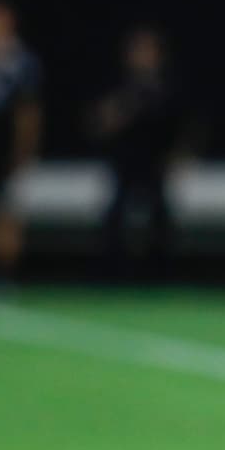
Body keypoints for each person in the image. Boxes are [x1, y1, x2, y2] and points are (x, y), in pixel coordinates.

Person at [90, 27, 183, 280]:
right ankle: (112, 276)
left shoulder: (168, 88)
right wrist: (121, 110)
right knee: (115, 220)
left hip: (156, 166)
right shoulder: (120, 86)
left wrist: (180, 155)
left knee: (160, 222)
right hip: (125, 165)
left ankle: (159, 276)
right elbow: (97, 123)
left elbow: (188, 126)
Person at [0, 0, 42, 283]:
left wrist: (23, 151)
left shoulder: (20, 62)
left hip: (6, 150)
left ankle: (5, 276)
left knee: (7, 213)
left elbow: (29, 112)